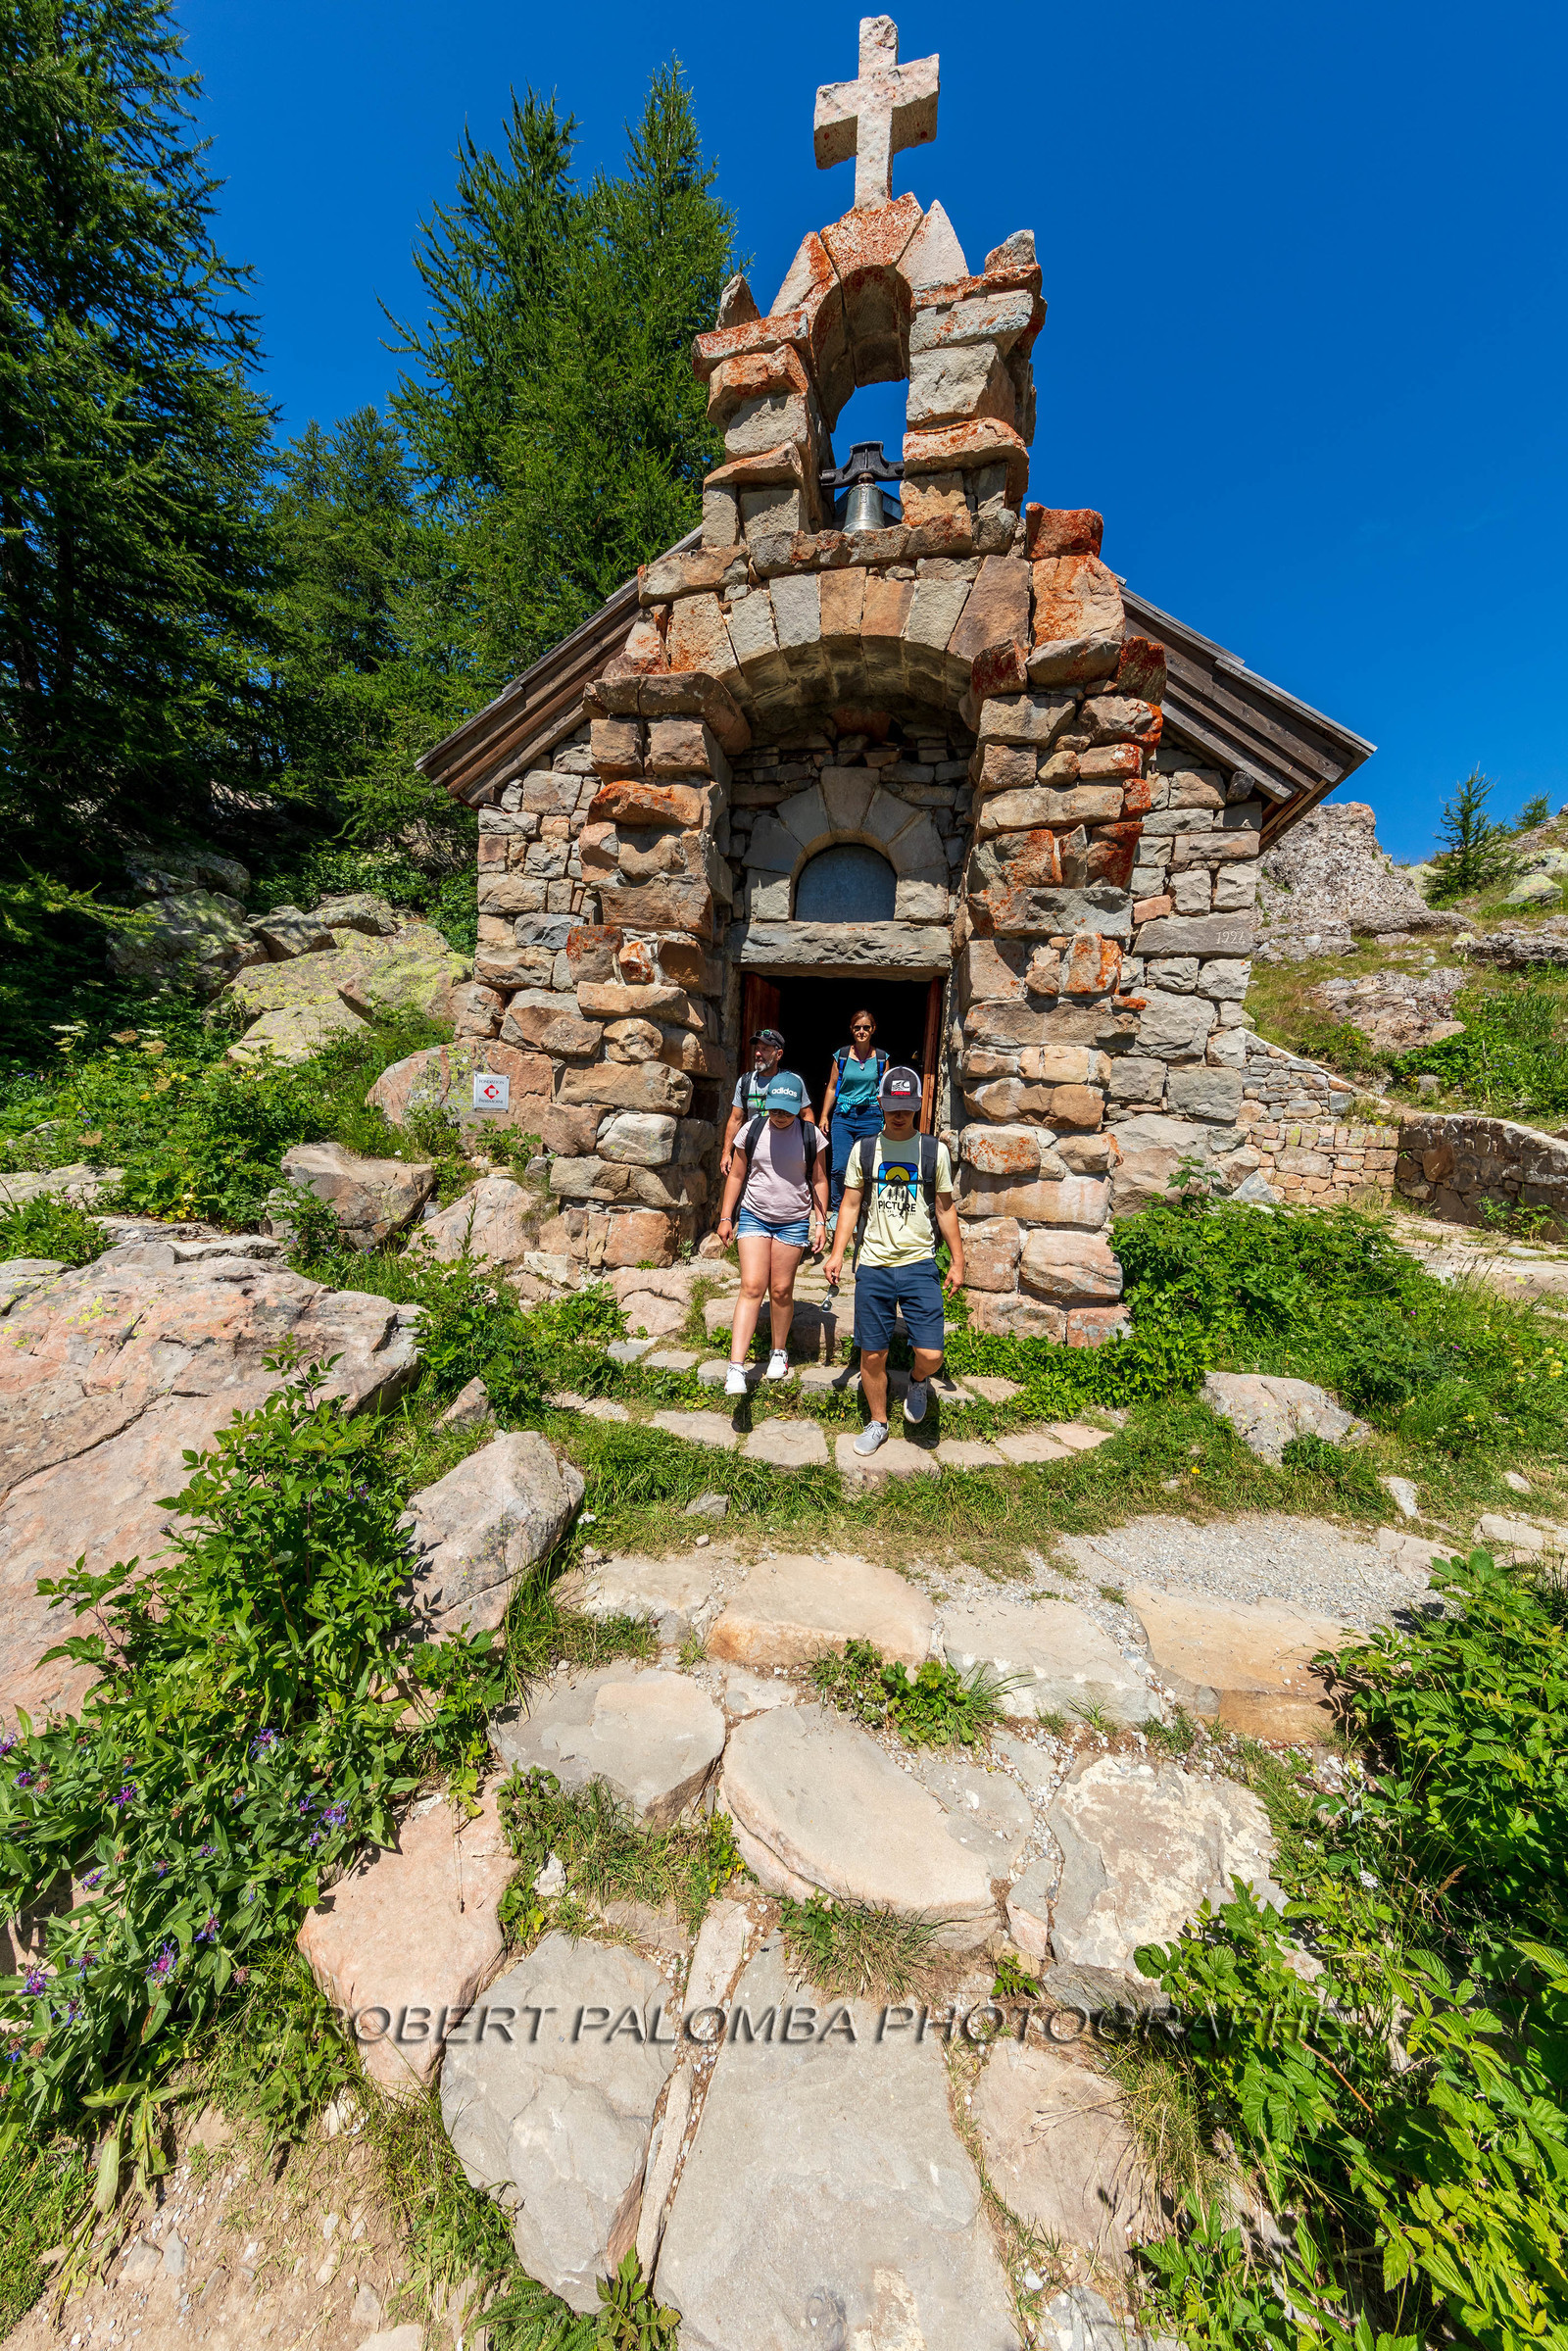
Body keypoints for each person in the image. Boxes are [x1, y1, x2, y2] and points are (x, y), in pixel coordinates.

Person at [822, 1063, 964, 1457]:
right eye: (890, 1106)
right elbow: (850, 1205)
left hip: (919, 1263)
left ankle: (918, 1380)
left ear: (917, 1106)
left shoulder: (933, 1151)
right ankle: (878, 1421)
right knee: (872, 1353)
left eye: (905, 1106)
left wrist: (958, 1260)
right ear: (880, 1105)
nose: (898, 1114)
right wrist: (837, 1254)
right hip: (874, 1264)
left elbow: (945, 1208)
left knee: (932, 1354)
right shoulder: (864, 1149)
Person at [714, 1072, 830, 1398]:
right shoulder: (751, 1130)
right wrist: (726, 1216)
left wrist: (821, 1222)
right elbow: (737, 1174)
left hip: (793, 1220)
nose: (778, 1116)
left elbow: (820, 1180)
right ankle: (736, 1366)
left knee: (780, 1290)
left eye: (785, 1110)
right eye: (773, 1109)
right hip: (754, 1215)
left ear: (798, 1107)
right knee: (752, 1285)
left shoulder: (810, 1135)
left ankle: (779, 1351)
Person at [818, 1008, 888, 1221]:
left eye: (866, 1027)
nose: (862, 1031)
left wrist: (887, 1120)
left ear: (873, 1029)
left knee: (866, 1167)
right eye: (857, 1027)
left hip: (871, 1115)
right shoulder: (841, 1055)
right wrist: (824, 1116)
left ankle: (862, 1213)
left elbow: (883, 1092)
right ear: (851, 1029)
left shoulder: (882, 1058)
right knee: (840, 1166)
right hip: (844, 1114)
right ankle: (838, 1212)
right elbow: (831, 1087)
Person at [720, 1027, 786, 1176]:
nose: (758, 1053)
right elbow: (736, 1119)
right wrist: (726, 1153)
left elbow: (806, 1115)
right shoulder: (745, 1081)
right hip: (750, 1151)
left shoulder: (790, 1082)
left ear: (779, 1054)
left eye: (765, 1049)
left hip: (781, 1151)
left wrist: (808, 1152)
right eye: (757, 1049)